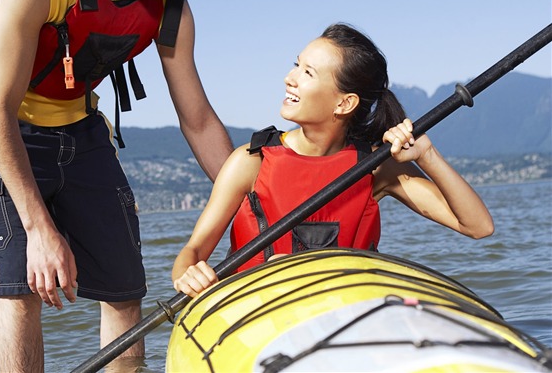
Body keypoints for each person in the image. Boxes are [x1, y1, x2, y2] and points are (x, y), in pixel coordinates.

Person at [0, 0, 233, 372]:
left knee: (125, 285)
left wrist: (247, 199)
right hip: (4, 125)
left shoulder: (170, 3)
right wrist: (40, 230)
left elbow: (196, 118)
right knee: (21, 285)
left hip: (80, 123)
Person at [172, 23, 494, 297]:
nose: (290, 77)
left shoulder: (374, 166)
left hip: (345, 309)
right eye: (296, 64)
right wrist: (188, 275)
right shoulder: (250, 161)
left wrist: (427, 155)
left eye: (307, 72)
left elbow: (478, 226)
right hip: (260, 309)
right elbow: (193, 253)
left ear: (344, 103)